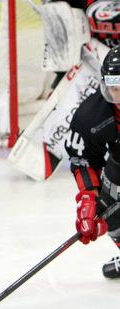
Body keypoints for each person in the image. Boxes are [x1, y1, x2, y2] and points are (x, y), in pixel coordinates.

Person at [65, 45, 120, 277]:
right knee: (107, 205)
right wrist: (88, 200)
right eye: (114, 89)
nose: (118, 97)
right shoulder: (90, 116)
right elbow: (84, 160)